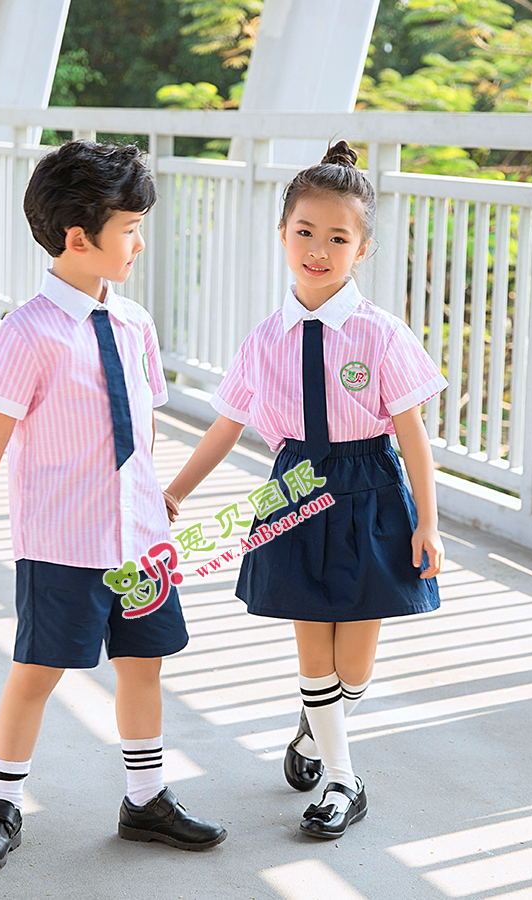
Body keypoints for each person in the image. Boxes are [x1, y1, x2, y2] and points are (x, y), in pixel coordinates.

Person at [0, 141, 226, 868]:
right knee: (39, 671)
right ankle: (3, 801)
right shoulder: (29, 330)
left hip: (140, 538)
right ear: (77, 238)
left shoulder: (135, 324)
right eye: (128, 229)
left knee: (144, 665)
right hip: (63, 539)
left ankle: (146, 798)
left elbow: (142, 422)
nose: (139, 243)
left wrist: (155, 494)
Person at [163, 141, 446, 840]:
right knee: (312, 646)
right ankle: (345, 782)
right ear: (283, 234)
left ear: (364, 248)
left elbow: (413, 438)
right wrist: (172, 494)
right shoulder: (265, 340)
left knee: (355, 665)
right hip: (294, 492)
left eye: (338, 238)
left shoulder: (381, 335)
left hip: (373, 489)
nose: (318, 249)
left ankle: (317, 733)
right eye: (305, 232)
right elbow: (225, 427)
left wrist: (428, 523)